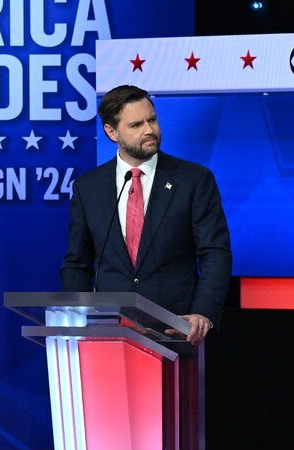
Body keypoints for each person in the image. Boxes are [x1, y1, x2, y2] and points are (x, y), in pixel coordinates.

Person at [60, 85, 232, 345]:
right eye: (136, 125)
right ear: (111, 132)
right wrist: (80, 317)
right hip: (109, 334)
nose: (149, 130)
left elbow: (215, 253)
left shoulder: (194, 180)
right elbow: (76, 264)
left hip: (178, 332)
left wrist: (203, 313)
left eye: (152, 120)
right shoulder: (88, 187)